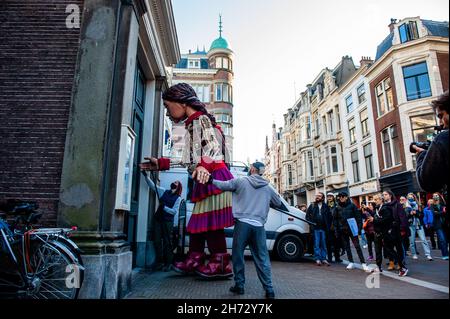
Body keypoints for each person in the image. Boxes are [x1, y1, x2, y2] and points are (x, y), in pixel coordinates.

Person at [140, 83, 234, 278]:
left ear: (181, 102)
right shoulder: (192, 123)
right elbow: (187, 160)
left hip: (213, 177)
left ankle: (220, 263)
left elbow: (212, 147)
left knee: (210, 223)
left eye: (167, 106)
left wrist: (204, 166)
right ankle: (196, 258)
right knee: (199, 222)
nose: (166, 113)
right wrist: (161, 163)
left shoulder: (200, 120)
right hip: (208, 178)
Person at [209, 161, 282, 299]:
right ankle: (269, 289)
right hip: (259, 226)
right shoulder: (268, 188)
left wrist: (210, 180)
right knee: (262, 258)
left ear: (253, 169)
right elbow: (277, 203)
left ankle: (240, 286)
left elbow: (223, 185)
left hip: (242, 224)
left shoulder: (241, 181)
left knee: (238, 255)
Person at [141, 171, 182, 271]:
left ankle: (168, 263)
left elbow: (174, 212)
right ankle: (160, 262)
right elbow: (152, 185)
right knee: (157, 240)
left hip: (167, 221)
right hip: (158, 219)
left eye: (176, 182)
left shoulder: (178, 198)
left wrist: (164, 208)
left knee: (168, 242)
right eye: (174, 181)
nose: (174, 183)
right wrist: (146, 176)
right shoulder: (164, 191)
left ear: (178, 187)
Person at [413, 90, 449, 194]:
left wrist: (421, 155)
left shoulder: (443, 139)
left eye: (441, 116)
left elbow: (427, 183)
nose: (441, 123)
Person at [333, 192, 370, 272]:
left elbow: (358, 217)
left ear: (346, 197)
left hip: (352, 229)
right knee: (347, 247)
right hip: (343, 230)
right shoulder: (337, 207)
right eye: (339, 196)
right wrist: (336, 230)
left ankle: (363, 263)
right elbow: (335, 220)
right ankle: (351, 262)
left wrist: (359, 228)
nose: (341, 198)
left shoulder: (352, 205)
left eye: (343, 196)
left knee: (357, 246)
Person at [381, 190, 409, 276]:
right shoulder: (384, 205)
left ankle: (402, 267)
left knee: (399, 249)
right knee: (388, 248)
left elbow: (403, 218)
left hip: (396, 230)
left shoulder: (397, 204)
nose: (384, 196)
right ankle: (401, 266)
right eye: (383, 195)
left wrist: (401, 229)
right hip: (388, 231)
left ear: (390, 195)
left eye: (385, 194)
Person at [306, 193, 332, 266]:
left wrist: (328, 226)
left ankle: (323, 258)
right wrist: (311, 224)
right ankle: (317, 259)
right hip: (315, 228)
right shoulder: (312, 206)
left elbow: (330, 217)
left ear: (323, 198)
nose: (317, 197)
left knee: (323, 244)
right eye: (316, 196)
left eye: (319, 196)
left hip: (324, 228)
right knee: (316, 244)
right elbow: (307, 217)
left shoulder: (326, 206)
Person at [405, 193, 432, 261]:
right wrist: (410, 214)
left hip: (419, 224)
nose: (410, 198)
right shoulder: (406, 206)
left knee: (423, 239)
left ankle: (428, 254)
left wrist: (416, 213)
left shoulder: (418, 205)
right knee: (412, 241)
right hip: (411, 225)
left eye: (412, 197)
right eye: (409, 197)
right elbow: (405, 216)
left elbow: (422, 215)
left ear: (414, 198)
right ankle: (414, 254)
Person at [428, 193, 448, 260]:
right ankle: (445, 255)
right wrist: (443, 212)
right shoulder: (432, 206)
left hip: (445, 224)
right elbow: (435, 214)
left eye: (436, 195)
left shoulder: (443, 204)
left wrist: (443, 212)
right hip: (438, 225)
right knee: (442, 240)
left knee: (446, 240)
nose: (435, 197)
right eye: (434, 196)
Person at [326, 192, 342, 263]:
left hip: (336, 227)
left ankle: (337, 257)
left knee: (337, 243)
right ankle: (329, 258)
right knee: (329, 244)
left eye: (330, 196)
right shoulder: (325, 206)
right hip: (328, 227)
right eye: (328, 197)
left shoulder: (337, 205)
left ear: (333, 197)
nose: (329, 198)